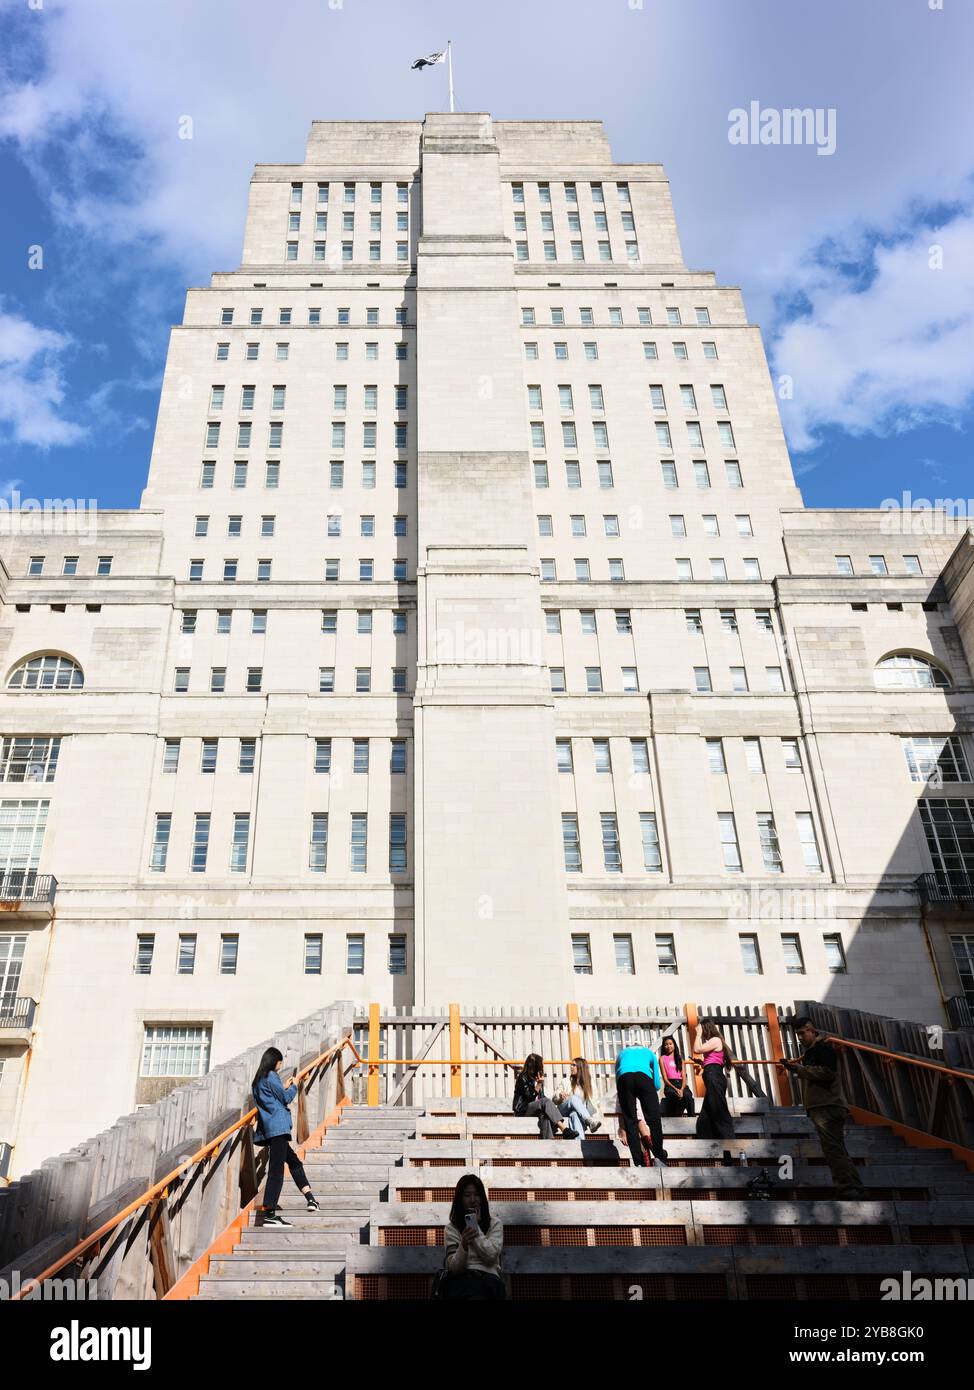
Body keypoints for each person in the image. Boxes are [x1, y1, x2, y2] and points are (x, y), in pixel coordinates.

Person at [777, 1016, 866, 1199]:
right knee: (838, 1149)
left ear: (812, 1030)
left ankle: (847, 1189)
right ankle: (855, 1188)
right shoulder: (815, 1049)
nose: (800, 1037)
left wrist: (798, 1069)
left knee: (833, 1150)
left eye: (803, 1033)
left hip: (827, 1106)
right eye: (798, 1034)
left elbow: (828, 1073)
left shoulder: (821, 1048)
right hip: (827, 1105)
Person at [251, 1046, 319, 1226]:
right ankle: (270, 1214)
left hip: (270, 1129)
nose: (281, 1065)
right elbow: (285, 1098)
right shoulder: (271, 1075)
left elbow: (273, 1098)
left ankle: (311, 1199)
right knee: (276, 1170)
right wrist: (294, 1085)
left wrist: (284, 1086)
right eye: (280, 1062)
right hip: (279, 1129)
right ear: (275, 1061)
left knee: (295, 1162)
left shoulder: (257, 1081)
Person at [441, 1174, 505, 1300]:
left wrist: (474, 1227)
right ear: (460, 1200)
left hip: (489, 1280)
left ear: (482, 1198)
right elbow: (454, 1269)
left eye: (476, 1194)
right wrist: (463, 1245)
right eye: (467, 1195)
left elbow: (491, 1256)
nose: (473, 1200)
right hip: (461, 1281)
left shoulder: (495, 1224)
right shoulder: (451, 1228)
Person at [614, 1031, 668, 1167]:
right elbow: (657, 1084)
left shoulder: (622, 1053)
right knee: (654, 1120)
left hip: (624, 1079)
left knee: (630, 1121)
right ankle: (659, 1158)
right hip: (643, 1077)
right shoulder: (649, 1053)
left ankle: (638, 1163)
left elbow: (618, 1077)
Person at [513, 1053, 576, 1139]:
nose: (543, 1065)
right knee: (545, 1101)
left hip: (536, 1110)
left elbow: (541, 1098)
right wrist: (539, 1084)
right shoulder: (523, 1077)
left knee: (545, 1116)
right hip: (523, 1111)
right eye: (542, 1063)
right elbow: (529, 1097)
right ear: (536, 1064)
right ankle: (564, 1129)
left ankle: (549, 1143)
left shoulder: (538, 1078)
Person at [692, 1021, 735, 1140]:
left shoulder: (715, 1040)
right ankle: (708, 1144)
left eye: (702, 1029)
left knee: (719, 1110)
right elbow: (714, 1061)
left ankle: (730, 1144)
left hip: (714, 1075)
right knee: (704, 1118)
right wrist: (703, 1063)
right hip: (713, 1074)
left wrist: (698, 1034)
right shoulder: (714, 1042)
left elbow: (697, 1049)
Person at [554, 1056, 603, 1138]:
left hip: (579, 1113)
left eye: (573, 1065)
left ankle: (579, 1145)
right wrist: (560, 1095)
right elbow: (554, 1099)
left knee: (575, 1115)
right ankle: (590, 1121)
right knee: (573, 1098)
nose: (571, 1067)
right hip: (563, 1109)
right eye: (571, 1065)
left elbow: (595, 1102)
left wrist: (597, 1115)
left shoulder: (590, 1084)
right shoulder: (566, 1081)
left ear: (580, 1068)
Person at [659, 1036, 695, 1117]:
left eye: (670, 1044)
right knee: (673, 1095)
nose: (668, 1046)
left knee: (688, 1096)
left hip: (681, 1084)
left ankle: (692, 1118)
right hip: (670, 1085)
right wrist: (676, 1089)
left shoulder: (680, 1059)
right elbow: (665, 1078)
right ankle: (674, 1118)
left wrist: (681, 1089)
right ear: (664, 1047)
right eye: (666, 1045)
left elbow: (684, 1077)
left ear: (674, 1045)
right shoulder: (662, 1058)